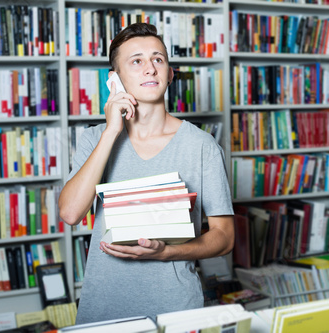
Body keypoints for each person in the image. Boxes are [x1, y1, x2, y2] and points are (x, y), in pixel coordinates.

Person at [58, 23, 235, 324]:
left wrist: (166, 253)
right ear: (114, 81)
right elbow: (72, 212)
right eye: (136, 61)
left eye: (158, 59)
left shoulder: (202, 146)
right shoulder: (95, 139)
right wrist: (112, 130)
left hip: (176, 309)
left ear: (169, 73)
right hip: (103, 310)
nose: (150, 69)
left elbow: (225, 237)